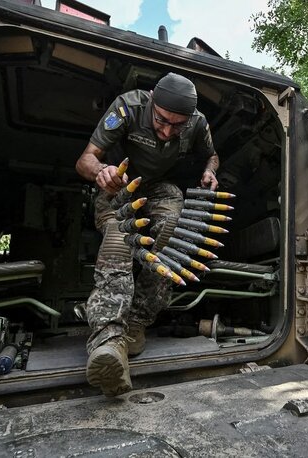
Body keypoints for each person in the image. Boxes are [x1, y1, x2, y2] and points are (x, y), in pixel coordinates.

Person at [75, 72, 219, 396]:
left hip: (159, 187)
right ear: (152, 98)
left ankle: (136, 324)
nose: (168, 131)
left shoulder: (197, 123)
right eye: (162, 120)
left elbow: (211, 154)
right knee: (119, 237)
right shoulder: (128, 107)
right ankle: (108, 341)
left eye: (177, 125)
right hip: (120, 184)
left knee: (174, 228)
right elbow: (85, 160)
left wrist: (210, 171)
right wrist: (102, 172)